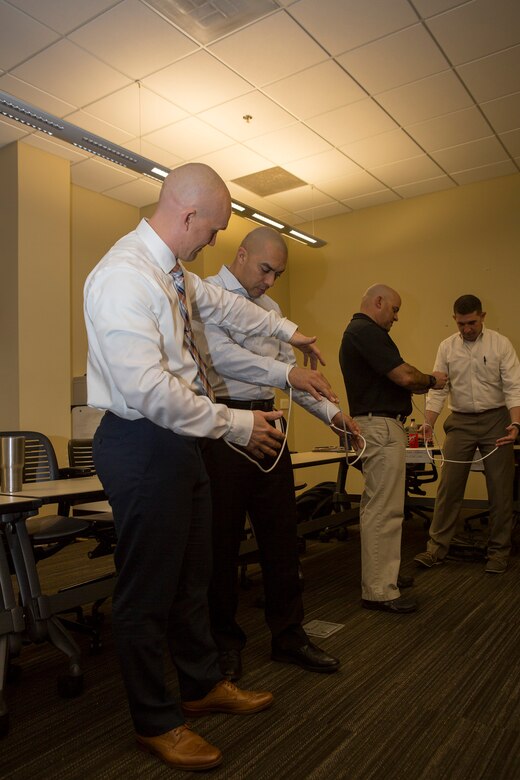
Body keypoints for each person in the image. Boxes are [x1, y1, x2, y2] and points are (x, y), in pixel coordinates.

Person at [83, 163, 335, 772]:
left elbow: (230, 308)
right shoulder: (123, 276)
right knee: (149, 589)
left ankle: (199, 686)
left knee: (194, 575)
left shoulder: (172, 274)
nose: (215, 241)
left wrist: (290, 333)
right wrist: (235, 423)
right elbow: (147, 390)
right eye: (215, 229)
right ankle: (155, 720)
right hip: (143, 438)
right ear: (188, 215)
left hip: (177, 442)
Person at [196, 226, 360, 681]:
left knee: (282, 538)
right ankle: (224, 645)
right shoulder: (205, 294)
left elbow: (290, 376)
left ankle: (289, 635)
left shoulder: (270, 309)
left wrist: (333, 415)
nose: (270, 282)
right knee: (221, 543)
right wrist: (288, 375)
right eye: (266, 270)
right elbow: (221, 358)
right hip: (224, 427)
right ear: (242, 255)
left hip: (269, 423)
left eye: (278, 274)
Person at [339, 284, 447, 613]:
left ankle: (384, 576)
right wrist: (432, 380)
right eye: (395, 310)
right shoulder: (365, 330)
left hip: (381, 425)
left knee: (384, 508)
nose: (396, 317)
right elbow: (404, 376)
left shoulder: (362, 333)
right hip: (380, 426)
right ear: (379, 302)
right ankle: (379, 590)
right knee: (383, 512)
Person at [414, 294, 520, 574]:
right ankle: (436, 549)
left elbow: (513, 386)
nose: (467, 329)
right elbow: (438, 389)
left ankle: (498, 552)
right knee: (448, 487)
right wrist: (428, 423)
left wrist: (516, 424)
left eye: (472, 322)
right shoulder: (447, 347)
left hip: (496, 419)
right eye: (461, 324)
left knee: (500, 489)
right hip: (460, 420)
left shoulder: (500, 344)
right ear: (454, 320)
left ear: (482, 316)